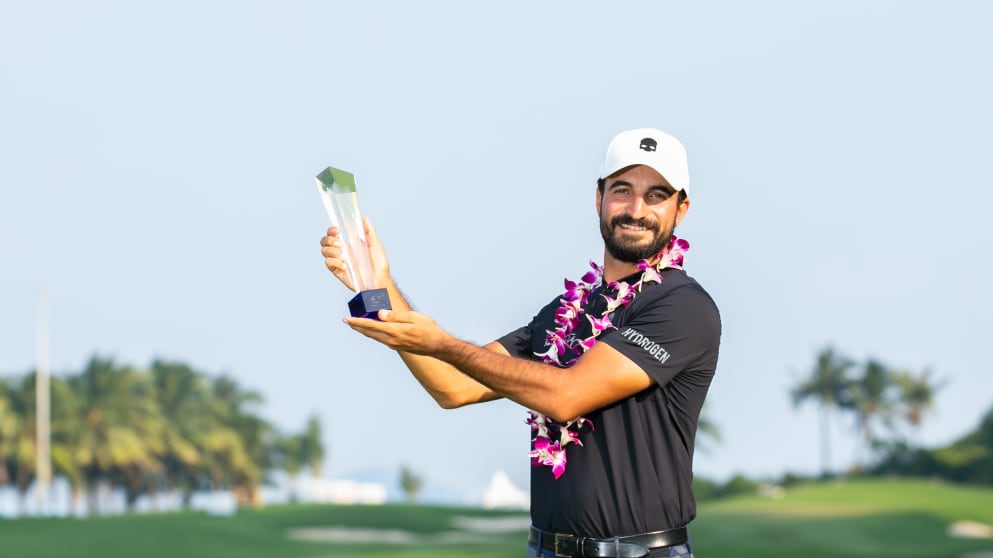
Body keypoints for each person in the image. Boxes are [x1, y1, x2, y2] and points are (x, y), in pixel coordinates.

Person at [320, 128, 721, 558]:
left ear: (681, 209)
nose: (636, 209)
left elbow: (567, 395)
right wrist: (377, 285)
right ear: (599, 197)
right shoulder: (567, 312)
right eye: (622, 190)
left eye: (656, 195)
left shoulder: (683, 307)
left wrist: (441, 343)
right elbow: (453, 386)